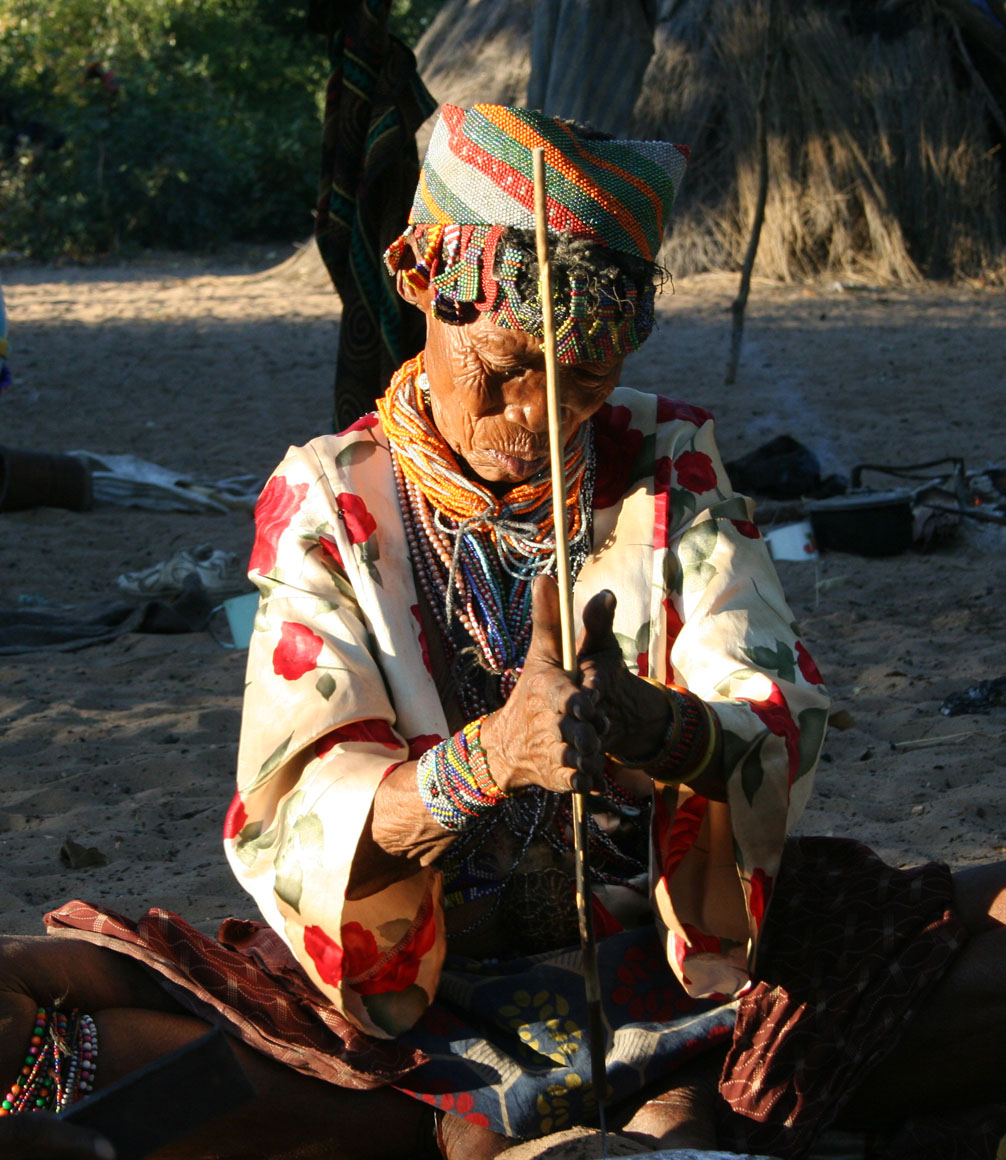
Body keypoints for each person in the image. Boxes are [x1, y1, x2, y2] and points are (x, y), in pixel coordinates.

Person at [1, 104, 1004, 1160]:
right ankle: (562, 1122)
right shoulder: (331, 496)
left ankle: (662, 1106)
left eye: (584, 380)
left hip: (689, 979)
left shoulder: (670, 462)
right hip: (402, 1025)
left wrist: (657, 726)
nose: (540, 414)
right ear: (421, 282)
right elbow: (296, 815)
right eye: (509, 365)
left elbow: (768, 707)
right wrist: (485, 761)